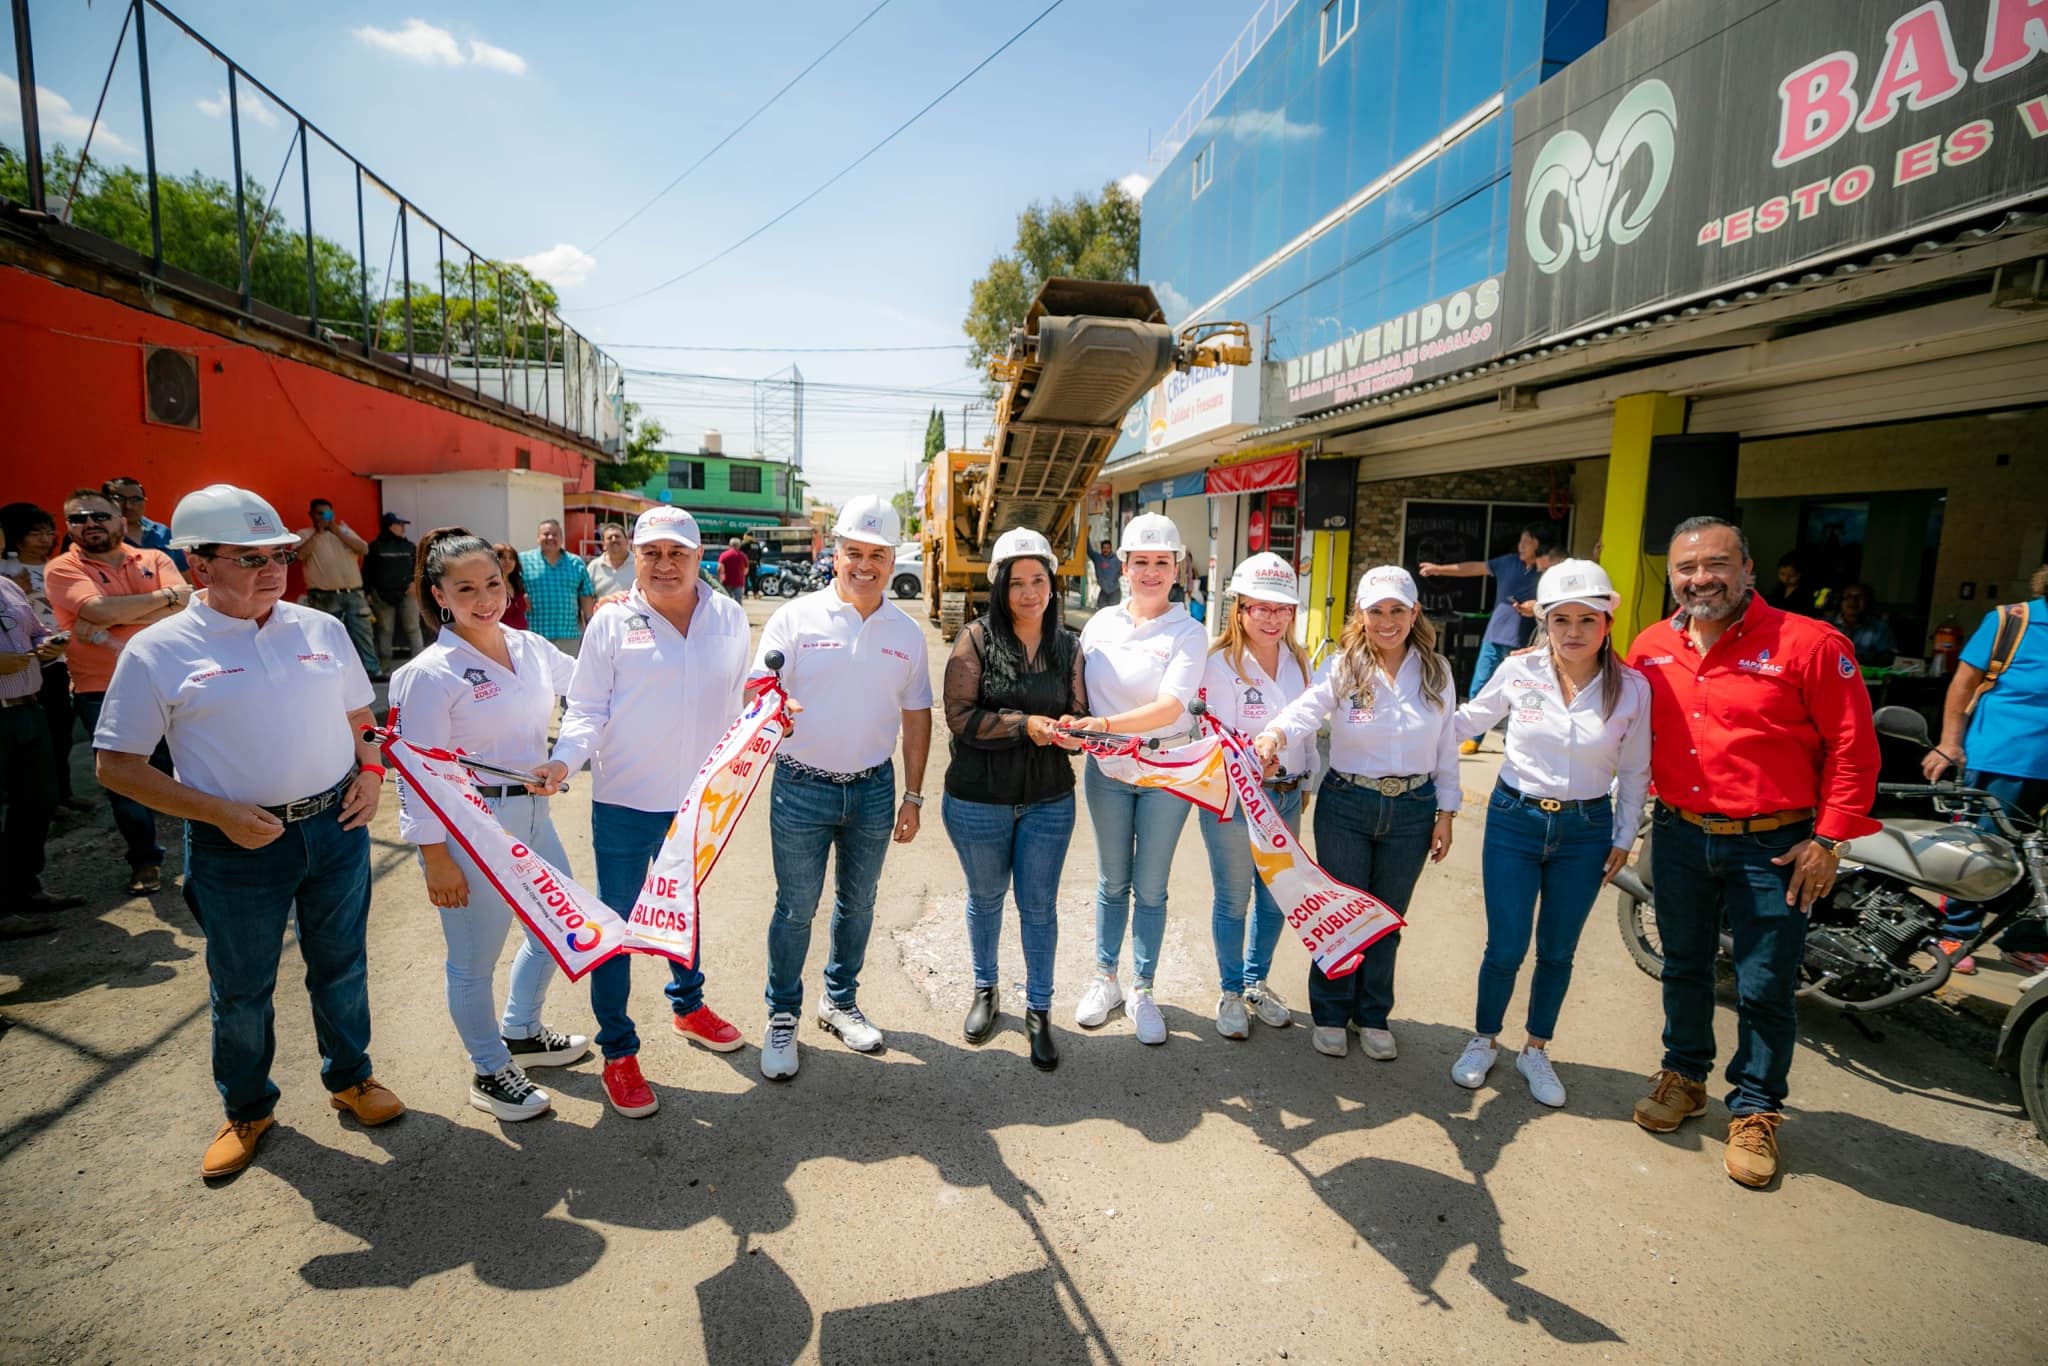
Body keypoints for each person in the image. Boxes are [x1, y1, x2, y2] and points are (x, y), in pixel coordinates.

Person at [93, 484, 404, 1178]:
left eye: (281, 555)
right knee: (241, 989)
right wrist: (219, 814)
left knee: (342, 966)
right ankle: (248, 1108)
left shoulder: (319, 628)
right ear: (199, 566)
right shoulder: (157, 650)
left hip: (335, 828)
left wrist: (373, 774)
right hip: (234, 846)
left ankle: (351, 1079)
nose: (273, 570)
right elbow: (116, 766)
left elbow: (362, 715)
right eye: (249, 557)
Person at [1626, 516, 1879, 1189]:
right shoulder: (1650, 645)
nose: (1700, 578)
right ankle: (1684, 1076)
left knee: (1765, 984)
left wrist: (1828, 840)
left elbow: (1854, 748)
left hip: (1776, 844)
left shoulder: (1812, 644)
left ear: (1748, 569)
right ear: (1673, 576)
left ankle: (1758, 1108)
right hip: (1679, 833)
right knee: (1683, 966)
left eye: (1715, 564)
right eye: (1686, 568)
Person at [535, 505, 753, 1118]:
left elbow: (741, 702)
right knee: (620, 927)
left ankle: (688, 1007)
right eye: (650, 552)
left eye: (676, 553)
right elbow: (584, 709)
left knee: (682, 906)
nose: (662, 564)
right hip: (625, 800)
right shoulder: (611, 623)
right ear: (635, 555)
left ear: (698, 556)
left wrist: (769, 727)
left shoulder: (728, 616)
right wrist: (565, 760)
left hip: (696, 802)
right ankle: (618, 1052)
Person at [390, 528, 593, 1123]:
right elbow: (416, 774)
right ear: (439, 595)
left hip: (533, 813)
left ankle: (522, 1032)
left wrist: (564, 758)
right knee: (473, 960)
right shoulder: (430, 673)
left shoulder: (530, 647)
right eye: (467, 589)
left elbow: (589, 694)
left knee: (558, 926)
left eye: (494, 584)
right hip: (471, 823)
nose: (485, 599)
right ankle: (488, 1067)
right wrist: (435, 857)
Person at [1448, 560, 1651, 1108]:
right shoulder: (1520, 671)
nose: (1574, 632)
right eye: (1562, 619)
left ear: (1608, 622)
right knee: (1505, 945)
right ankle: (1484, 1038)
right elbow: (1466, 721)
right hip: (1514, 820)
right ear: (1546, 622)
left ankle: (1536, 1048)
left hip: (1586, 831)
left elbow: (1634, 772)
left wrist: (1624, 835)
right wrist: (1408, 712)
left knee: (1558, 950)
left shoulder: (1632, 688)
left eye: (1588, 619)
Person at [751, 494, 933, 1080]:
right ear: (836, 553)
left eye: (877, 555)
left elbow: (917, 714)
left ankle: (839, 1000)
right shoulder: (795, 617)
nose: (864, 565)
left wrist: (912, 794)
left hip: (875, 790)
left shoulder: (905, 633)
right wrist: (776, 704)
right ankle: (782, 1017)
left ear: (893, 558)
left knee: (859, 904)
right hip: (801, 786)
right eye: (853, 551)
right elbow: (759, 689)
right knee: (796, 908)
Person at [1258, 566, 1459, 1060]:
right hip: (1347, 804)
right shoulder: (1344, 666)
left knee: (1386, 919)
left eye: (1397, 610)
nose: (1386, 621)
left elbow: (1448, 744)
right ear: (1361, 616)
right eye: (1376, 611)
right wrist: (1275, 734)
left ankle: (1373, 1015)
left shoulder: (1437, 671)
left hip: (1413, 808)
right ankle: (1329, 1011)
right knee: (1341, 913)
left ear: (1415, 613)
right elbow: (1307, 708)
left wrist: (1447, 812)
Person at [940, 527, 1086, 1071]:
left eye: (1039, 581)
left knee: (1040, 908)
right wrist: (1026, 725)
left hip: (1049, 801)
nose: (1029, 593)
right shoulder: (975, 640)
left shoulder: (1068, 644)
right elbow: (958, 718)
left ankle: (1040, 1011)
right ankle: (985, 989)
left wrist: (1073, 729)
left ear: (1052, 584)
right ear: (1000, 586)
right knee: (986, 899)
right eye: (1017, 582)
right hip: (979, 800)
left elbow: (1075, 710)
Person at [1066, 513, 1207, 1046]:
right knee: (1111, 882)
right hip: (1108, 770)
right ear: (1123, 566)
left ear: (1176, 569)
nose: (1150, 572)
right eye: (1140, 561)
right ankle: (1105, 978)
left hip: (1165, 772)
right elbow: (1075, 688)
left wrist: (1101, 725)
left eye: (1161, 563)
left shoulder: (1189, 631)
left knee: (1150, 887)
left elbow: (1170, 705)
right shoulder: (1100, 624)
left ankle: (1143, 988)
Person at [44, 487, 189, 894]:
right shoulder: (61, 568)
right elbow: (96, 611)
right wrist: (162, 601)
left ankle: (220, 834)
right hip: (102, 689)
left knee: (193, 761)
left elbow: (187, 605)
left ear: (121, 522)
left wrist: (115, 616)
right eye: (78, 518)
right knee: (125, 777)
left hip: (171, 680)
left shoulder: (154, 557)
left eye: (100, 516)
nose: (90, 524)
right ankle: (145, 861)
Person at [1197, 553, 1311, 1040]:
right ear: (1239, 609)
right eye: (1259, 608)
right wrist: (1250, 762)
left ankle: (1256, 982)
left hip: (1284, 798)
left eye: (1281, 608)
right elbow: (1209, 733)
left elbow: (1305, 732)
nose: (1271, 618)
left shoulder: (1300, 661)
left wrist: (1305, 782)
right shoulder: (1217, 665)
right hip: (1236, 800)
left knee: (1276, 898)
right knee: (1233, 899)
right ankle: (1229, 992)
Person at [1923, 563, 2048, 976]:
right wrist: (1950, 743)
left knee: (2041, 859)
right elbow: (1963, 681)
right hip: (2002, 756)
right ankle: (1956, 932)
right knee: (1981, 849)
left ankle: (2025, 941)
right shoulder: (2012, 620)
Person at [1419, 521, 1561, 753]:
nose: (1521, 545)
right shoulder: (1508, 563)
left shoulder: (1547, 571)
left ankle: (1513, 739)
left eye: (1527, 541)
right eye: (1521, 540)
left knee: (1522, 694)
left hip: (1524, 642)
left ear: (1540, 545)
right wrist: (1439, 569)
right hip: (1493, 637)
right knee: (1480, 687)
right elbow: (1473, 568)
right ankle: (1474, 738)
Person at [0, 569, 80, 933]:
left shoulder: (6, 584)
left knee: (39, 800)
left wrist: (52, 644)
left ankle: (24, 888)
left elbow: (36, 631)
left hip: (28, 707)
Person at [1, 501, 87, 812]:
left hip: (58, 664)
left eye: (49, 532)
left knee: (59, 734)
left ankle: (59, 794)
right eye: (35, 533)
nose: (45, 538)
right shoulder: (8, 575)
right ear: (16, 537)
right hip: (20, 676)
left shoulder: (57, 567)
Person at [293, 498, 379, 678]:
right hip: (324, 596)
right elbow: (299, 555)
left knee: (362, 633)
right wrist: (318, 533)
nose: (324, 517)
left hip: (353, 592)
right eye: (320, 514)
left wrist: (337, 532)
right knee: (327, 636)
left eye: (328, 513)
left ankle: (371, 671)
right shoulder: (305, 534)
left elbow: (364, 549)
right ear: (311, 515)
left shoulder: (344, 531)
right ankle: (331, 673)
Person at [518, 519, 595, 656]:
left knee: (569, 676)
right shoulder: (522, 561)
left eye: (555, 534)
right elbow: (509, 586)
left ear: (561, 538)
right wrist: (520, 596)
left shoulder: (575, 562)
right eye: (546, 534)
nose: (550, 538)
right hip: (534, 636)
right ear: (537, 538)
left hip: (568, 636)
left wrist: (590, 625)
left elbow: (585, 594)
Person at [364, 512, 423, 671]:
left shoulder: (409, 546)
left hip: (407, 594)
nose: (403, 528)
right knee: (385, 630)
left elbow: (419, 568)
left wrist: (414, 583)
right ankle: (384, 665)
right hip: (381, 596)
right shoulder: (375, 547)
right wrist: (368, 592)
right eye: (399, 524)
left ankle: (422, 663)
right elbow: (368, 571)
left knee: (413, 627)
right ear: (389, 526)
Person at [103, 475, 186, 572]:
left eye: (135, 499)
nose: (128, 506)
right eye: (119, 499)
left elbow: (183, 575)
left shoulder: (162, 533)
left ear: (145, 501)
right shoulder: (100, 537)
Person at [1829, 583, 1897, 668]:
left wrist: (1863, 660)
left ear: (1869, 602)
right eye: (1848, 597)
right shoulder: (1825, 624)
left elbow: (1888, 658)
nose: (1853, 601)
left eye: (1859, 597)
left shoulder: (1880, 628)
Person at [1763, 550, 1826, 618]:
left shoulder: (1806, 591)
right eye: (1782, 574)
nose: (1786, 579)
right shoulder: (1779, 588)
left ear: (1801, 574)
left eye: (1792, 575)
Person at [587, 522, 635, 600]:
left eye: (617, 536)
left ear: (626, 541)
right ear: (603, 545)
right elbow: (587, 597)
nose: (614, 540)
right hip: (603, 611)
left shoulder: (638, 564)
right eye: (609, 537)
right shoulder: (594, 567)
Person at [494, 543, 531, 630]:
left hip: (521, 637)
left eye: (511, 558)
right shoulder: (490, 586)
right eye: (503, 557)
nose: (508, 561)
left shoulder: (519, 585)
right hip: (501, 638)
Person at [717, 537, 750, 605]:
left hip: (727, 581)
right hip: (739, 582)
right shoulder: (743, 556)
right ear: (739, 545)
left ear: (730, 545)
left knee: (726, 601)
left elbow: (720, 568)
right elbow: (746, 570)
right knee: (738, 601)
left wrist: (720, 577)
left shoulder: (724, 555)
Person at [1090, 538, 1121, 608]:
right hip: (1104, 591)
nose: (1106, 550)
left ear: (1111, 549)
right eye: (1104, 548)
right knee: (1101, 613)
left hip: (1115, 591)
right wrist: (1086, 536)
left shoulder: (1117, 559)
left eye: (1108, 548)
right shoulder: (1098, 558)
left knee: (1113, 613)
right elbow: (1089, 551)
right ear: (1101, 549)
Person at [742, 534, 763, 598]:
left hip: (746, 564)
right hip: (754, 564)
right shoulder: (756, 544)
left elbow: (740, 553)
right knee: (753, 579)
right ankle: (755, 593)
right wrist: (758, 563)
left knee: (745, 579)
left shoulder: (745, 544)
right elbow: (760, 554)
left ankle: (745, 594)